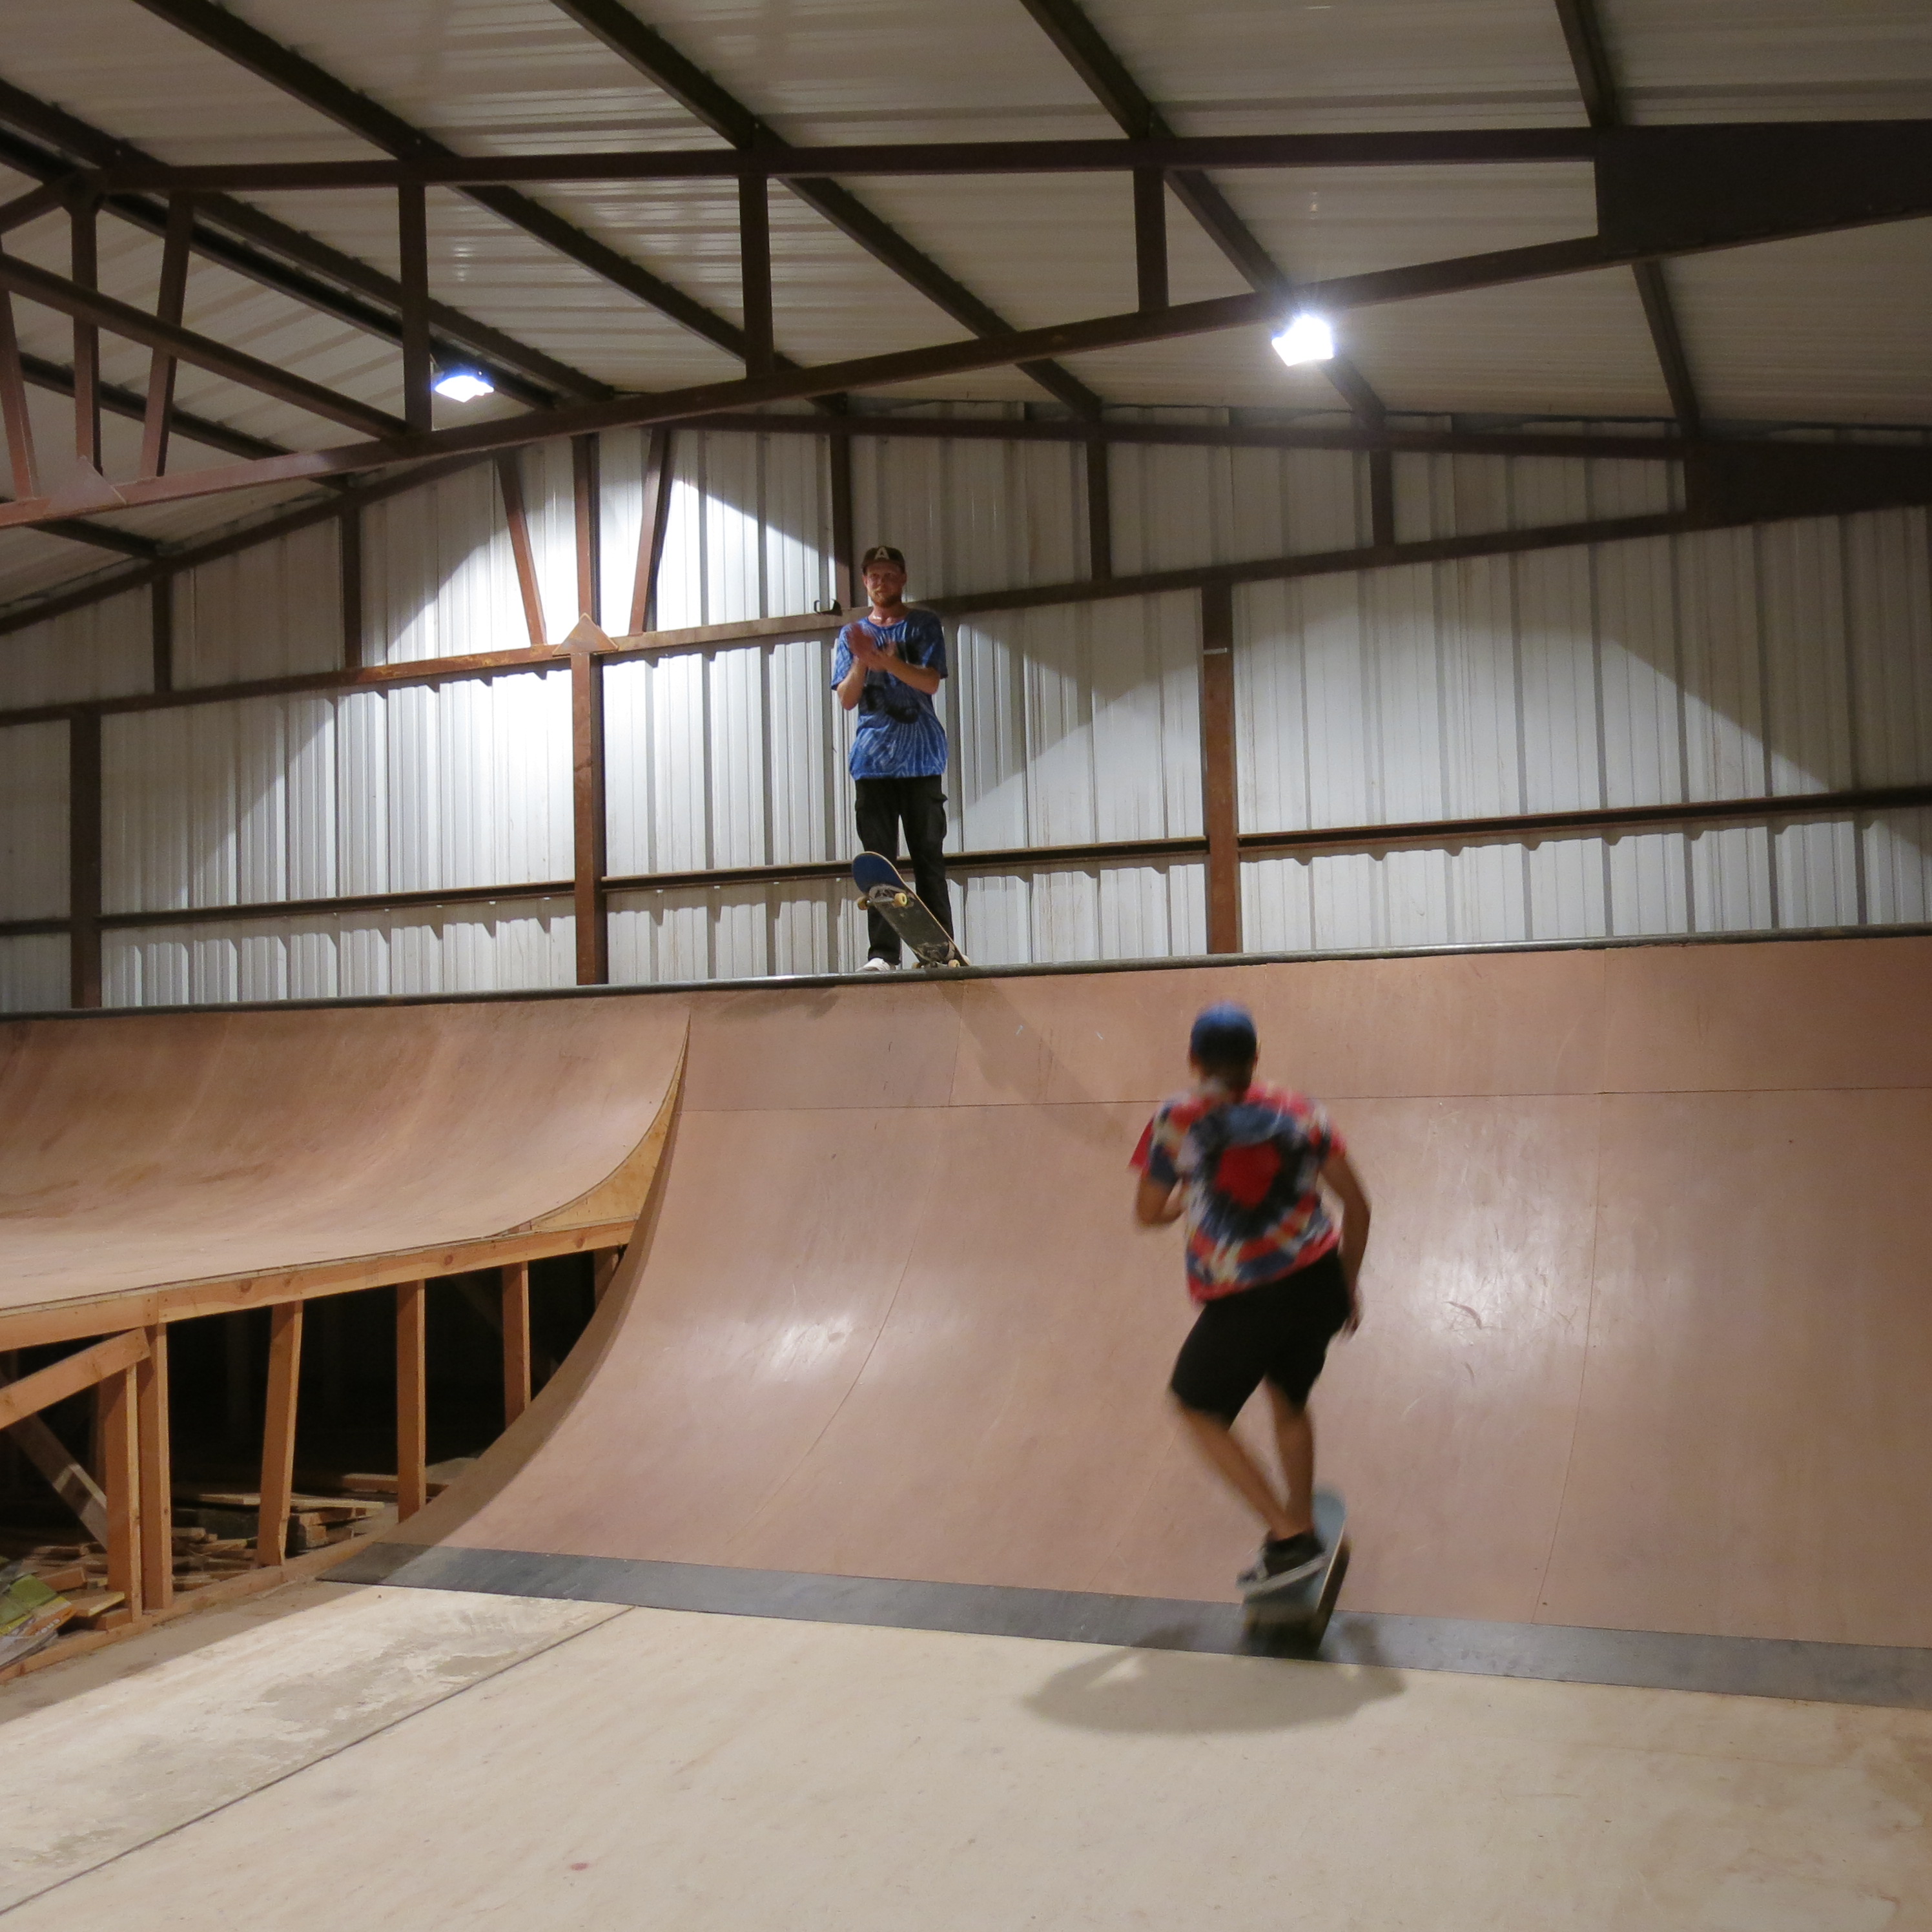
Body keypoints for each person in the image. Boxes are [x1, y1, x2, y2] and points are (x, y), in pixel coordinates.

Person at [1131, 1002, 1372, 1596]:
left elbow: (1146, 1213)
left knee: (1196, 1406)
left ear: (1193, 1059)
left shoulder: (1176, 1119)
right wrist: (1346, 1284)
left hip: (1246, 1299)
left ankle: (1289, 1539)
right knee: (1289, 1401)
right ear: (1256, 1057)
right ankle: (1303, 1520)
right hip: (1318, 1284)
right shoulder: (1301, 1110)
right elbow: (1358, 1205)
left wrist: (1182, 1204)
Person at [832, 545, 955, 970]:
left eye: (889, 575)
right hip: (872, 762)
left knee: (928, 858)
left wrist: (889, 662)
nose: (881, 582)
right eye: (874, 576)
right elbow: (847, 698)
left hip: (921, 759)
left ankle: (939, 951)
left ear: (902, 579)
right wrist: (864, 662)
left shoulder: (923, 624)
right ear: (865, 582)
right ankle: (883, 954)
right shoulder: (851, 635)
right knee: (878, 864)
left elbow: (930, 682)